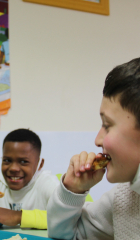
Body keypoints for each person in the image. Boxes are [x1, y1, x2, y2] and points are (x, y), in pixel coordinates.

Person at [47, 57, 140, 240]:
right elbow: (69, 236)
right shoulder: (123, 197)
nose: (97, 140)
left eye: (107, 125)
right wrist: (72, 191)